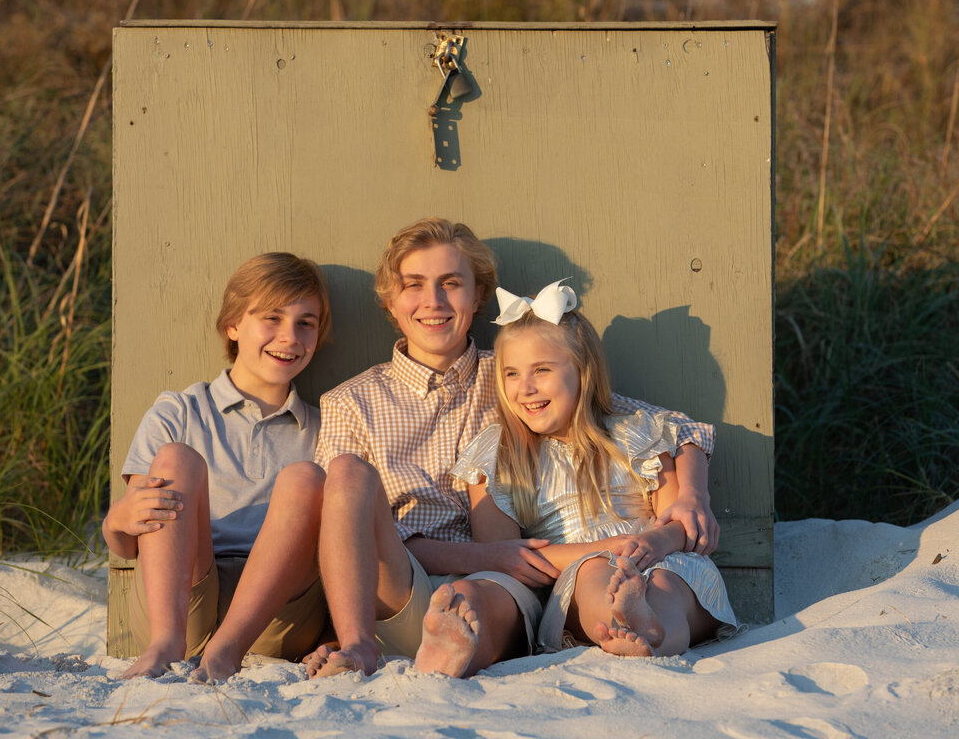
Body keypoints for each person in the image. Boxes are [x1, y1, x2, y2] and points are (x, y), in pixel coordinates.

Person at [306, 218, 720, 679]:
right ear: (389, 301)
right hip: (410, 576)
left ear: (478, 294)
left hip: (504, 575)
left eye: (451, 283)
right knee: (346, 475)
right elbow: (338, 531)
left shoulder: (509, 365)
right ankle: (363, 643)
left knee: (482, 597)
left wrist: (692, 496)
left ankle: (456, 648)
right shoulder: (350, 402)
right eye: (414, 285)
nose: (434, 301)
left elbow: (670, 426)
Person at [451, 280, 739, 658]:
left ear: (582, 371)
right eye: (512, 374)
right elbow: (504, 557)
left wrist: (654, 542)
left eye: (542, 370)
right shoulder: (500, 455)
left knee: (667, 582)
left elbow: (676, 517)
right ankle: (627, 622)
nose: (526, 388)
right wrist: (607, 550)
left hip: (661, 553)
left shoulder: (634, 433)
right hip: (577, 562)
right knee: (595, 578)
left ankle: (653, 630)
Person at [102, 252, 331, 681]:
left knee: (307, 479)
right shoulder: (179, 411)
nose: (290, 336)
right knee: (176, 459)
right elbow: (132, 537)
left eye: (306, 322)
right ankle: (165, 646)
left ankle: (227, 649)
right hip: (182, 601)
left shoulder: (327, 428)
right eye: (272, 318)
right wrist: (115, 521)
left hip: (276, 616)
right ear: (232, 325)